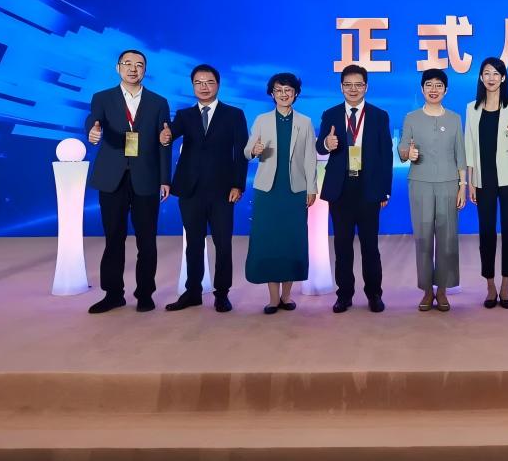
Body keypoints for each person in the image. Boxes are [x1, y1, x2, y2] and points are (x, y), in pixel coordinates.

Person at [84, 49, 171, 314]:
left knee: (147, 240)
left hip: (146, 177)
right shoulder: (102, 97)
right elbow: (93, 121)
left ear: (145, 70)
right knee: (114, 238)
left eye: (139, 65)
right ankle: (113, 294)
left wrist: (165, 179)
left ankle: (145, 294)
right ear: (118, 67)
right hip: (113, 178)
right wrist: (92, 131)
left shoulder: (159, 102)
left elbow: (164, 141)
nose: (133, 69)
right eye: (128, 64)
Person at [158, 64, 248, 313]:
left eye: (209, 82)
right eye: (198, 83)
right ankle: (193, 293)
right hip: (191, 190)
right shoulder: (184, 115)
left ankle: (222, 294)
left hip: (223, 191)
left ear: (218, 84)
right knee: (194, 244)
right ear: (192, 86)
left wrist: (238, 184)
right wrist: (165, 136)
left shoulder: (234, 114)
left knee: (223, 244)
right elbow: (170, 135)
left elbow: (241, 152)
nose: (204, 87)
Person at [316, 65, 392, 314]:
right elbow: (320, 146)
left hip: (368, 189)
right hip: (341, 189)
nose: (353, 89)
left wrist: (385, 190)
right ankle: (344, 295)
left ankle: (374, 294)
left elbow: (386, 155)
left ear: (366, 87)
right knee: (342, 246)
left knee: (370, 246)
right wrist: (326, 143)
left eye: (358, 84)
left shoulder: (379, 116)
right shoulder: (330, 114)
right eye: (348, 85)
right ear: (341, 87)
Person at [243, 73, 319, 314]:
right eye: (278, 90)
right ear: (272, 94)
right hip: (268, 191)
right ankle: (273, 298)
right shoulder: (262, 120)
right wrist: (254, 151)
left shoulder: (305, 122)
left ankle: (287, 296)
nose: (283, 94)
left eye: (288, 90)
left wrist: (312, 188)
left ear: (295, 94)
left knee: (292, 241)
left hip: (294, 190)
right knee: (269, 242)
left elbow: (310, 158)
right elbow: (247, 151)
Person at [399, 68, 466, 312]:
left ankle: (443, 290)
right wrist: (408, 153)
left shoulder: (455, 119)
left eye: (439, 85)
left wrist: (462, 186)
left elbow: (460, 154)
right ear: (422, 89)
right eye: (429, 84)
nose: (433, 89)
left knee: (447, 239)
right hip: (420, 183)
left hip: (449, 183)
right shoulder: (411, 118)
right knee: (423, 237)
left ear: (446, 90)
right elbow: (402, 149)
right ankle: (427, 290)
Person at [464, 57, 508, 309]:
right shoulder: (472, 108)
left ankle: (506, 286)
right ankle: (490, 286)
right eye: (486, 73)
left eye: (496, 73)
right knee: (486, 233)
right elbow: (469, 147)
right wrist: (470, 182)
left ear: (503, 78)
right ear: (481, 78)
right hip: (483, 179)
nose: (491, 78)